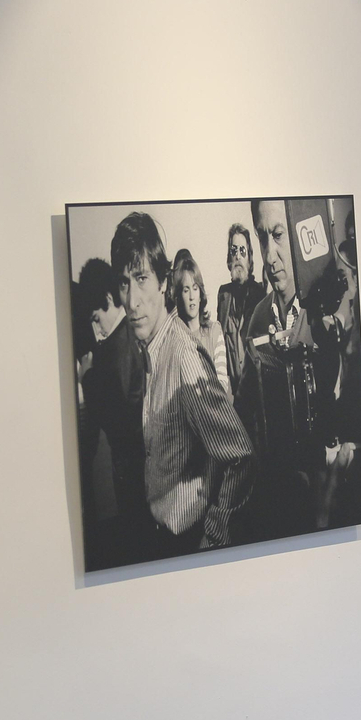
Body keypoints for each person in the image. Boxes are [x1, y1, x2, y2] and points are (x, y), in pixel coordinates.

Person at [111, 212, 253, 558]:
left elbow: (240, 457)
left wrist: (214, 539)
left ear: (163, 281)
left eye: (142, 278)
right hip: (162, 536)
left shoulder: (183, 356)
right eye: (124, 282)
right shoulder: (149, 350)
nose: (131, 300)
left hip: (190, 541)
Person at [239, 200, 361, 538]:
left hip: (332, 509)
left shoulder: (334, 314)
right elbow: (244, 412)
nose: (268, 254)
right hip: (280, 510)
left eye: (277, 235)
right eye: (262, 238)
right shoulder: (257, 320)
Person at [74, 256, 147, 568]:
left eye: (95, 318)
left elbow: (115, 419)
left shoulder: (118, 346)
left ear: (107, 300)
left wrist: (87, 376)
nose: (95, 327)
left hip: (131, 465)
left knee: (137, 544)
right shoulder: (124, 337)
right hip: (134, 464)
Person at [169, 248, 229, 393]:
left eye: (195, 289)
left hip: (217, 410)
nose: (191, 296)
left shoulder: (214, 331)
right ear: (179, 296)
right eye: (186, 290)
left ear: (200, 293)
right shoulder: (175, 338)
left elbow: (222, 382)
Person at [216, 223, 266, 394]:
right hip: (232, 394)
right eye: (233, 251)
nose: (238, 256)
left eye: (242, 251)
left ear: (249, 258)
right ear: (229, 259)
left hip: (256, 389)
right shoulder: (223, 295)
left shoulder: (260, 294)